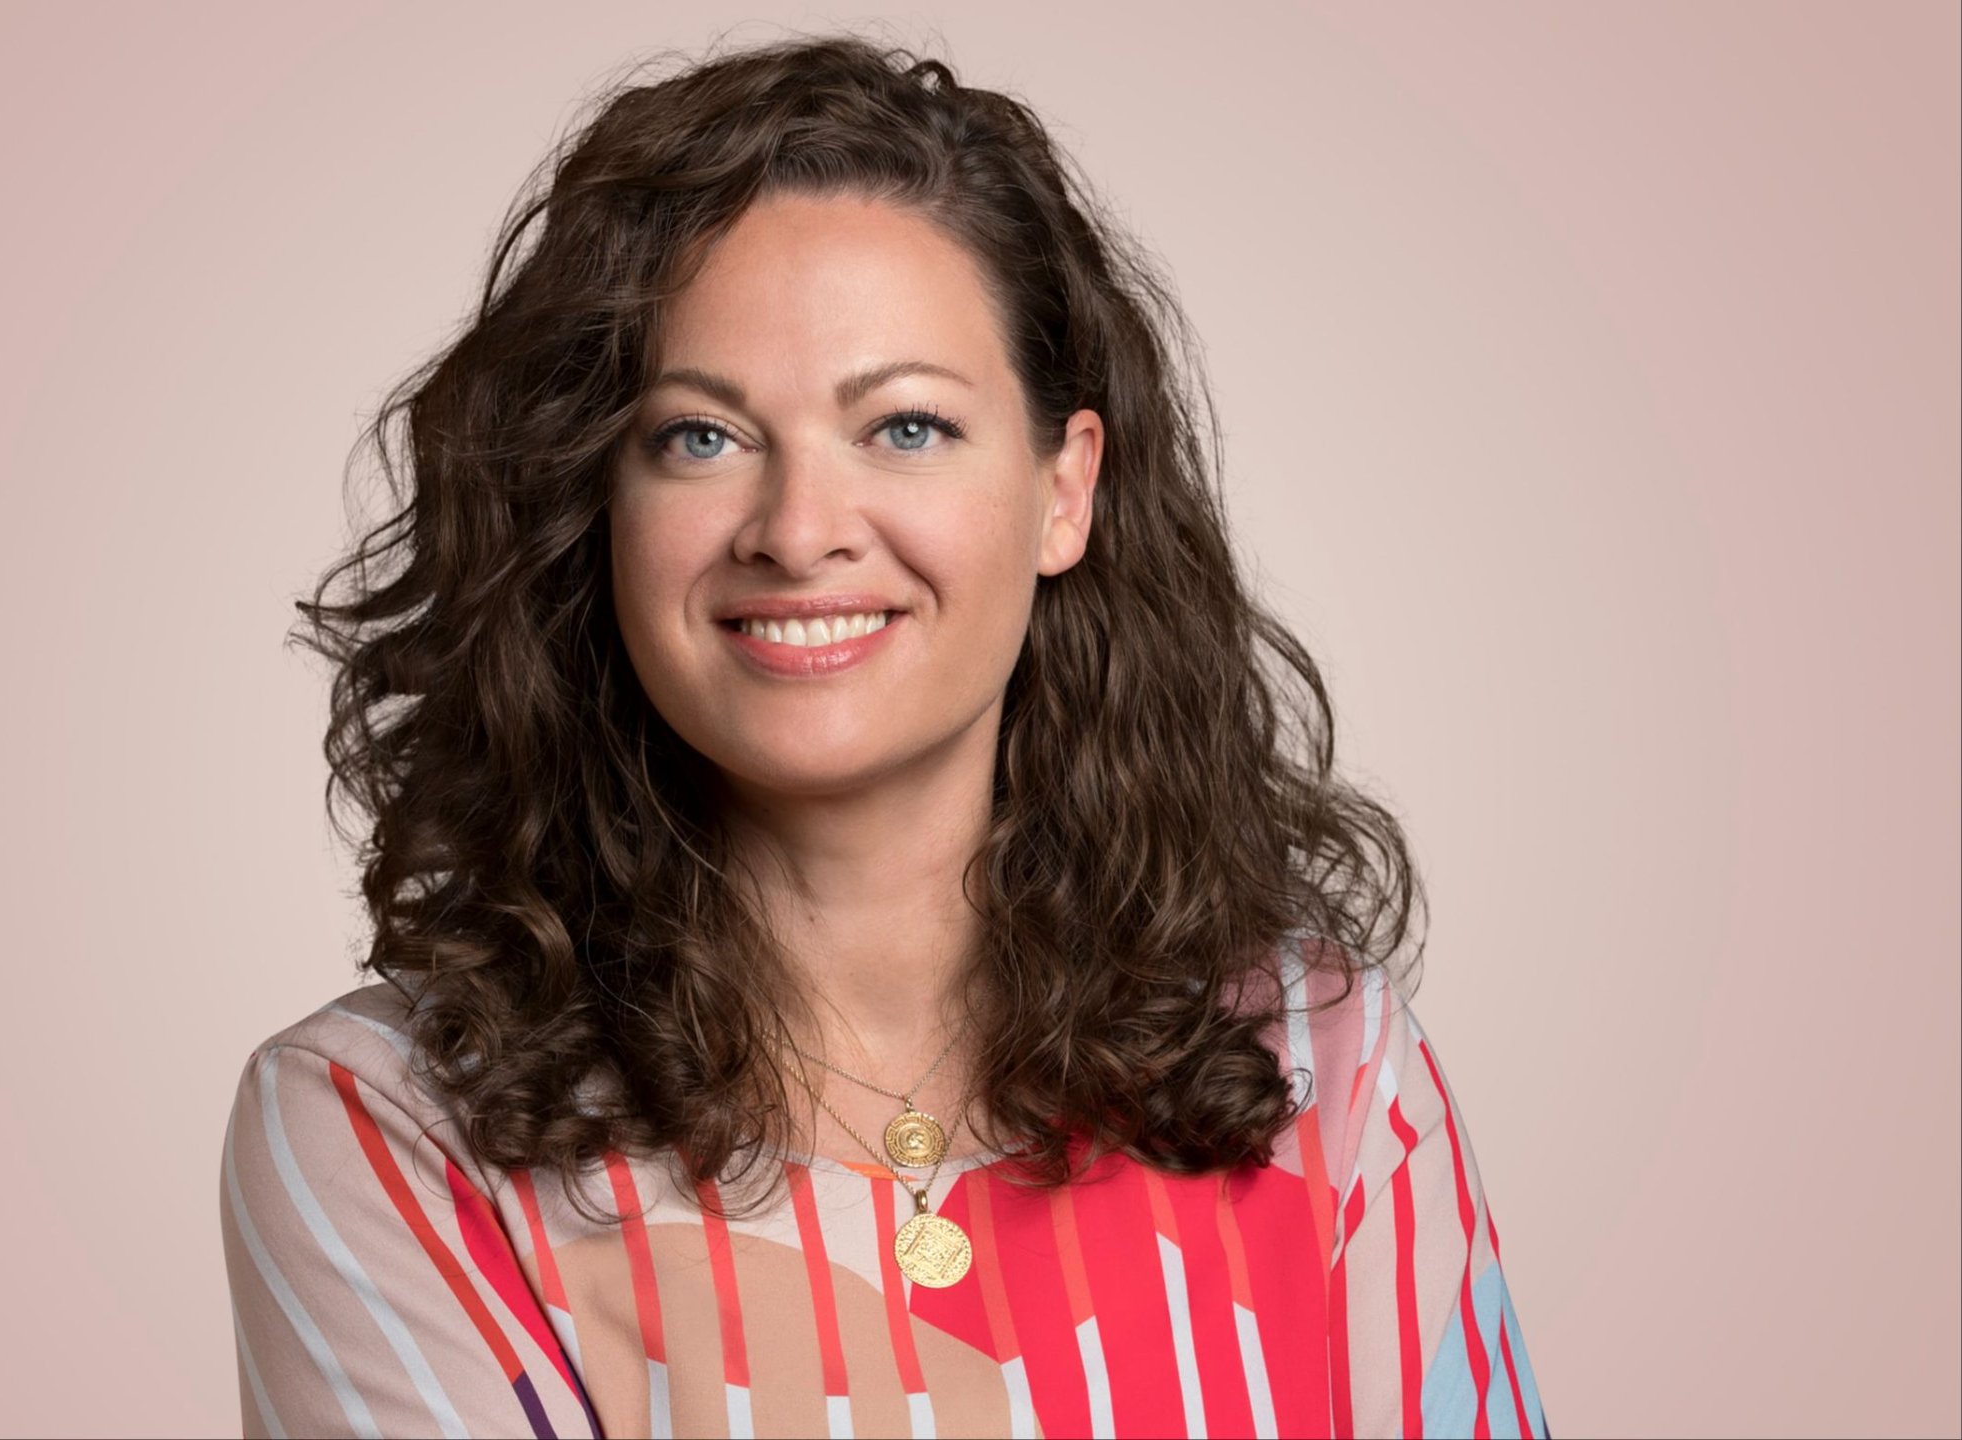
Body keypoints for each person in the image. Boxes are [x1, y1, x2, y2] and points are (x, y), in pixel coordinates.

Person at [219, 32, 1549, 1440]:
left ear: (1065, 490)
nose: (799, 532)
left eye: (906, 428)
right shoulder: (387, 1133)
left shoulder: (1325, 1065)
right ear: (593, 503)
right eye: (700, 437)